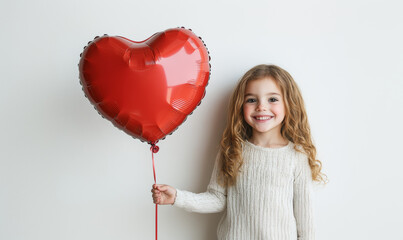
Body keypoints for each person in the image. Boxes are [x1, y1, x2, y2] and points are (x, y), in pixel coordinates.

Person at [151, 64, 327, 240]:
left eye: (272, 99)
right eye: (251, 100)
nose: (261, 107)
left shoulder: (296, 156)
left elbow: (306, 225)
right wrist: (177, 197)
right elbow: (217, 199)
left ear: (289, 103)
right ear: (240, 105)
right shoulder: (231, 149)